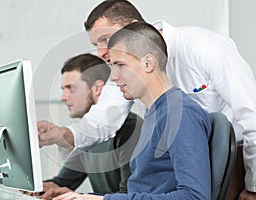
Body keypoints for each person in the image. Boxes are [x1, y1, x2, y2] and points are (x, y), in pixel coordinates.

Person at [38, 1, 256, 198]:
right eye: (97, 45)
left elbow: (252, 115)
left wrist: (253, 186)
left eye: (105, 39)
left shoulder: (204, 47)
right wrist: (63, 134)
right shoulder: (132, 80)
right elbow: (101, 121)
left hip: (234, 160)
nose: (101, 53)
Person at [50, 21, 212, 200]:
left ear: (148, 63)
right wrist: (83, 197)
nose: (113, 76)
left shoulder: (180, 114)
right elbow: (142, 192)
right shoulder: (156, 113)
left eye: (120, 65)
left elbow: (194, 197)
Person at [36, 53, 142, 198]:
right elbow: (62, 182)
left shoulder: (130, 129)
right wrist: (37, 188)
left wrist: (78, 196)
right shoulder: (84, 136)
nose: (63, 97)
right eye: (63, 89)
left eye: (71, 88)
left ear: (97, 88)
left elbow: (130, 195)